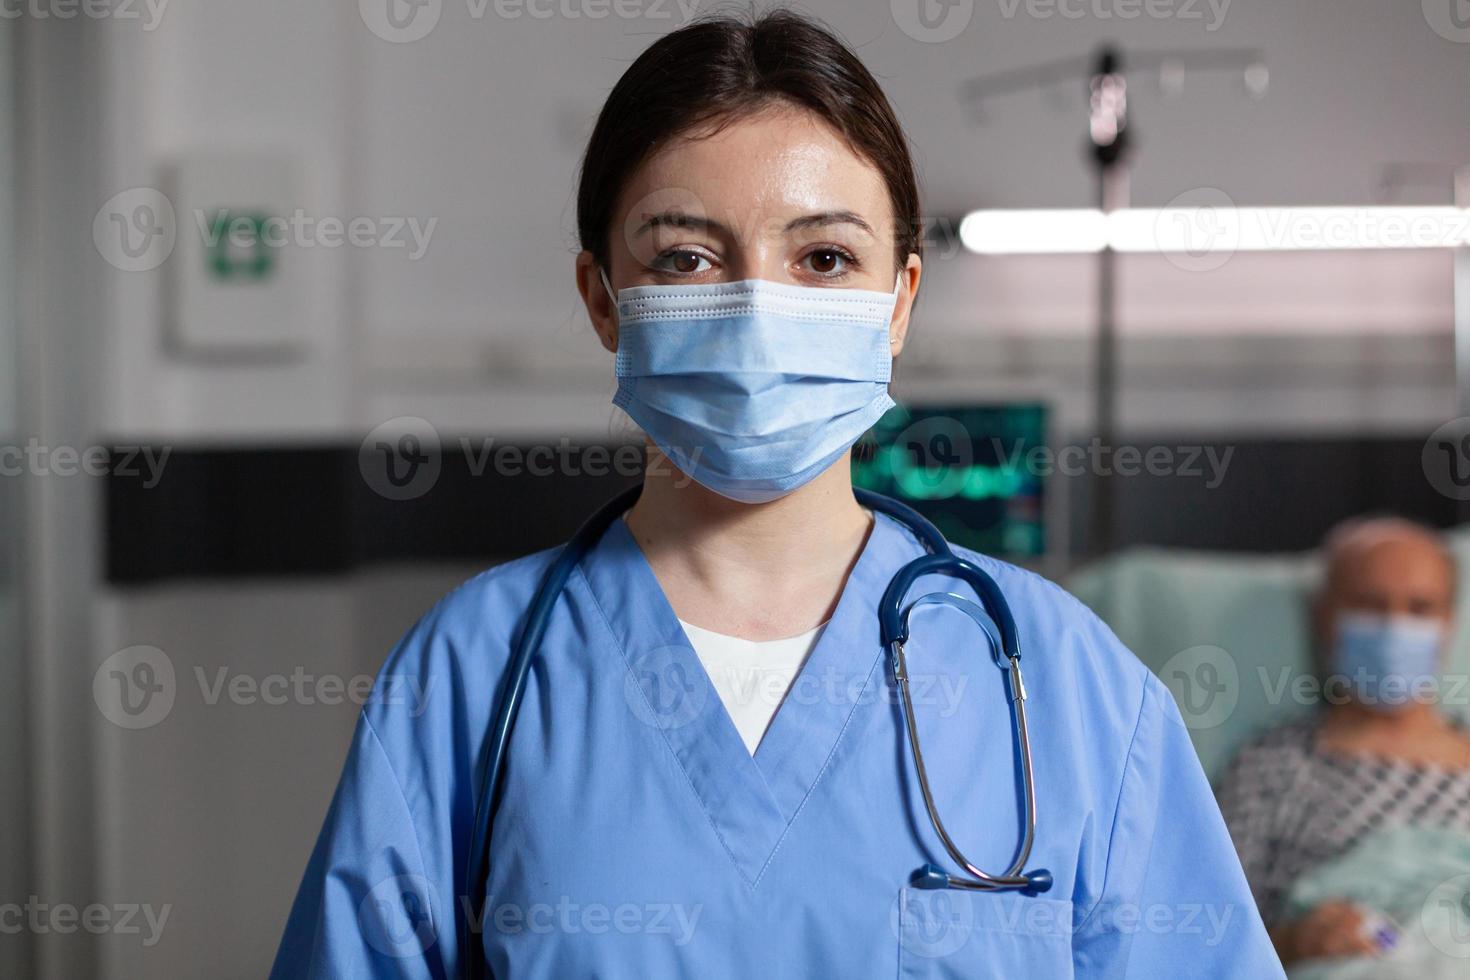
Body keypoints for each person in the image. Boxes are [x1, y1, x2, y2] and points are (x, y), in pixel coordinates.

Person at [270, 12, 1281, 978]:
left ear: (901, 303)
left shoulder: (1069, 689)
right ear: (602, 301)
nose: (759, 304)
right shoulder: (470, 677)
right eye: (686, 257)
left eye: (825, 258)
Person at [1216, 516, 1469, 966]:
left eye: (1420, 608)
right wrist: (1293, 942)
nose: (1395, 626)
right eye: (1370, 605)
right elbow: (1208, 935)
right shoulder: (1272, 768)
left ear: (1448, 623)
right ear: (1325, 614)